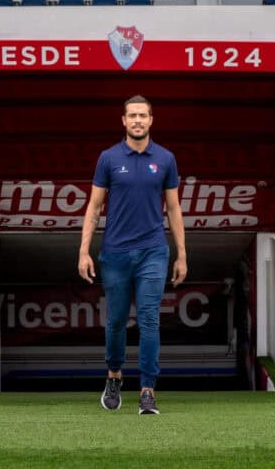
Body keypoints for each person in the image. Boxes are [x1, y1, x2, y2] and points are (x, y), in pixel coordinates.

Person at [78, 95, 187, 414]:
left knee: (150, 320)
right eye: (132, 116)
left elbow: (174, 208)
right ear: (123, 121)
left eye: (143, 115)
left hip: (154, 251)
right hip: (115, 253)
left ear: (151, 120)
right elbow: (94, 207)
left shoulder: (166, 159)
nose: (138, 120)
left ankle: (147, 390)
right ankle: (114, 376)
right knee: (115, 322)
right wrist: (84, 251)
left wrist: (181, 254)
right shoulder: (108, 158)